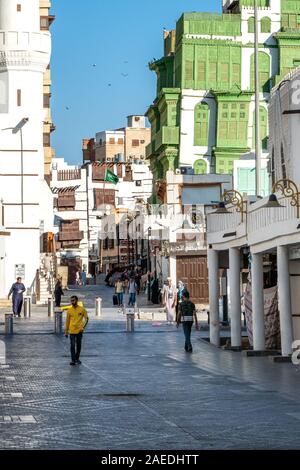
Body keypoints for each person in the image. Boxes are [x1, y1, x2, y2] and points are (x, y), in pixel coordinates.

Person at [64, 296, 89, 366]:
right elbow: (67, 321)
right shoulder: (69, 310)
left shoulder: (82, 309)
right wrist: (66, 332)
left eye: (73, 300)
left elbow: (86, 319)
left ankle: (77, 358)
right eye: (71, 301)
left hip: (79, 331)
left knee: (78, 346)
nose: (72, 302)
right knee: (72, 346)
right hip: (72, 331)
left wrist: (82, 327)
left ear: (77, 300)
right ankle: (73, 360)